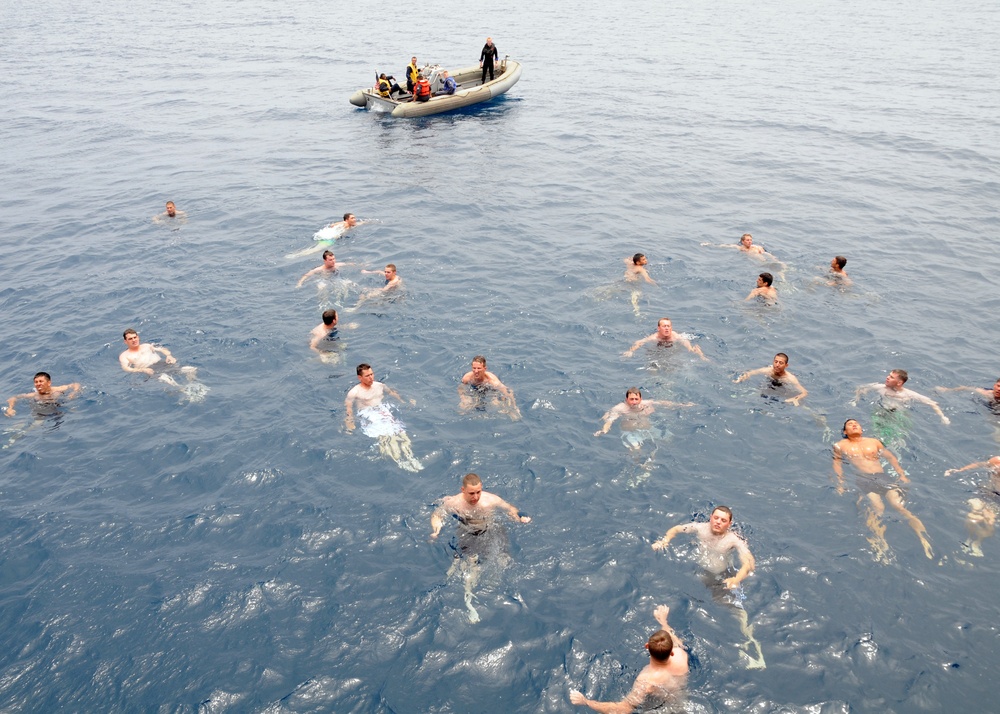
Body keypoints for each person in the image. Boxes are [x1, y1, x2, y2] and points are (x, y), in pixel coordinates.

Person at [652, 506, 765, 668]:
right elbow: (676, 529)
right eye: (716, 518)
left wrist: (736, 579)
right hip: (701, 574)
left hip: (722, 579)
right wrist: (665, 540)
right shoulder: (700, 528)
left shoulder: (733, 540)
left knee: (736, 610)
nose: (718, 522)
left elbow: (749, 563)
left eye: (723, 520)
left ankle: (751, 644)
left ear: (729, 523)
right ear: (710, 517)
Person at [430, 473, 530, 622]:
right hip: (468, 532)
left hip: (492, 530)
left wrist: (519, 517)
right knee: (471, 565)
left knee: (503, 560)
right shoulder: (454, 503)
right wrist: (436, 531)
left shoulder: (490, 500)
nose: (475, 497)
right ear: (463, 490)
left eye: (478, 492)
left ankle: (498, 592)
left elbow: (510, 509)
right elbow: (437, 515)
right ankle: (469, 603)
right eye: (471, 493)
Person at [832, 419, 933, 561]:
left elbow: (891, 457)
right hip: (863, 479)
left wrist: (901, 474)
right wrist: (840, 483)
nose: (854, 425)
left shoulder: (874, 441)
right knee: (878, 508)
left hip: (882, 477)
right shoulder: (840, 446)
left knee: (899, 506)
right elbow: (837, 465)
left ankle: (924, 538)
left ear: (861, 429)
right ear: (845, 432)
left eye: (856, 423)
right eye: (850, 424)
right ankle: (880, 543)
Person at [569, 604, 688, 713]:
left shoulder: (645, 680)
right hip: (681, 702)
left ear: (646, 646)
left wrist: (586, 702)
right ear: (671, 652)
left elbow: (623, 709)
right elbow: (674, 640)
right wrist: (664, 621)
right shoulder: (681, 655)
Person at [344, 363, 421, 471]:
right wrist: (349, 422)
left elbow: (392, 393)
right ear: (359, 377)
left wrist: (404, 402)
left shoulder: (380, 385)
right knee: (387, 439)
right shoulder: (354, 392)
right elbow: (349, 409)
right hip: (368, 414)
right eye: (367, 376)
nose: (371, 378)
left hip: (382, 410)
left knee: (402, 435)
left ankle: (410, 457)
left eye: (372, 374)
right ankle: (399, 461)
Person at [945, 455, 1000, 557]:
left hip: (997, 499)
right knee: (974, 515)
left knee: (990, 521)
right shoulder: (997, 462)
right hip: (986, 493)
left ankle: (977, 543)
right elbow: (981, 464)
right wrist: (960, 470)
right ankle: (968, 538)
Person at [854, 369, 950, 425]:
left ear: (899, 382)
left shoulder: (909, 394)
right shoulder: (880, 388)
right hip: (881, 412)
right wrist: (856, 400)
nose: (887, 377)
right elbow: (860, 388)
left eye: (891, 377)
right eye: (888, 375)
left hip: (899, 415)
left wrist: (943, 417)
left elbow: (932, 403)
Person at [733, 352, 808, 406]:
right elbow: (751, 372)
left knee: (801, 405)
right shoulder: (768, 370)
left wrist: (796, 398)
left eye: (781, 363)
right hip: (769, 386)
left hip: (783, 389)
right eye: (776, 362)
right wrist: (742, 378)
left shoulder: (790, 378)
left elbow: (804, 392)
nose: (777, 365)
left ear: (786, 365)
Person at [623, 317, 707, 361]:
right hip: (657, 350)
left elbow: (686, 342)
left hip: (672, 351)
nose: (667, 328)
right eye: (664, 326)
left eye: (668, 326)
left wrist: (694, 351)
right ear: (659, 328)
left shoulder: (676, 336)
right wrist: (631, 351)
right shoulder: (654, 337)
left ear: (671, 327)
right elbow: (639, 342)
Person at [4, 372, 81, 418]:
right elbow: (13, 398)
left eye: (41, 381)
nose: (38, 384)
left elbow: (76, 384)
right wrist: (10, 408)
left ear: (49, 383)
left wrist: (74, 393)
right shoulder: (34, 395)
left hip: (59, 408)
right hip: (41, 411)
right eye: (36, 382)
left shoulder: (58, 389)